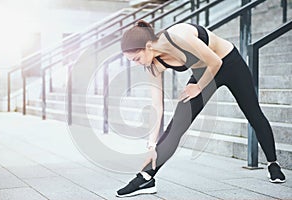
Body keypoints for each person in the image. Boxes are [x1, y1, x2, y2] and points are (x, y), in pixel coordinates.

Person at [116, 20, 286, 198]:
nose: (137, 63)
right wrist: (152, 144)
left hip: (228, 62)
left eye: (136, 58)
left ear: (148, 46)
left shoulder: (178, 37)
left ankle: (273, 163)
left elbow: (215, 62)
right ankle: (146, 178)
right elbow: (157, 106)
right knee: (178, 124)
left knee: (253, 113)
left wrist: (198, 87)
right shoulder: (152, 65)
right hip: (203, 72)